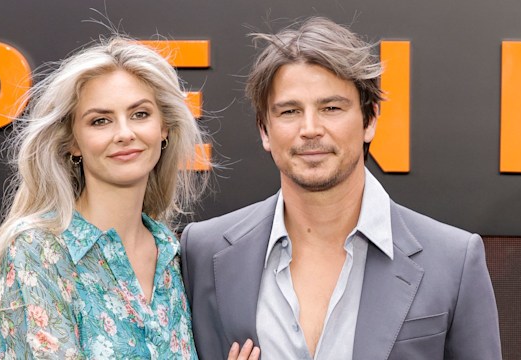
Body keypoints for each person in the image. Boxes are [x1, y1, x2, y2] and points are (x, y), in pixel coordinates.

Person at [181, 17, 502, 359]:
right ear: (264, 130)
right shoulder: (203, 252)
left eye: (331, 108)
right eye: (289, 111)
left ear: (370, 119)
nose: (310, 129)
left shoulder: (453, 260)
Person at [0, 35, 238, 359]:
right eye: (100, 120)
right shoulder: (39, 250)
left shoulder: (170, 255)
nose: (124, 133)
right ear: (73, 142)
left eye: (140, 114)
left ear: (165, 128)